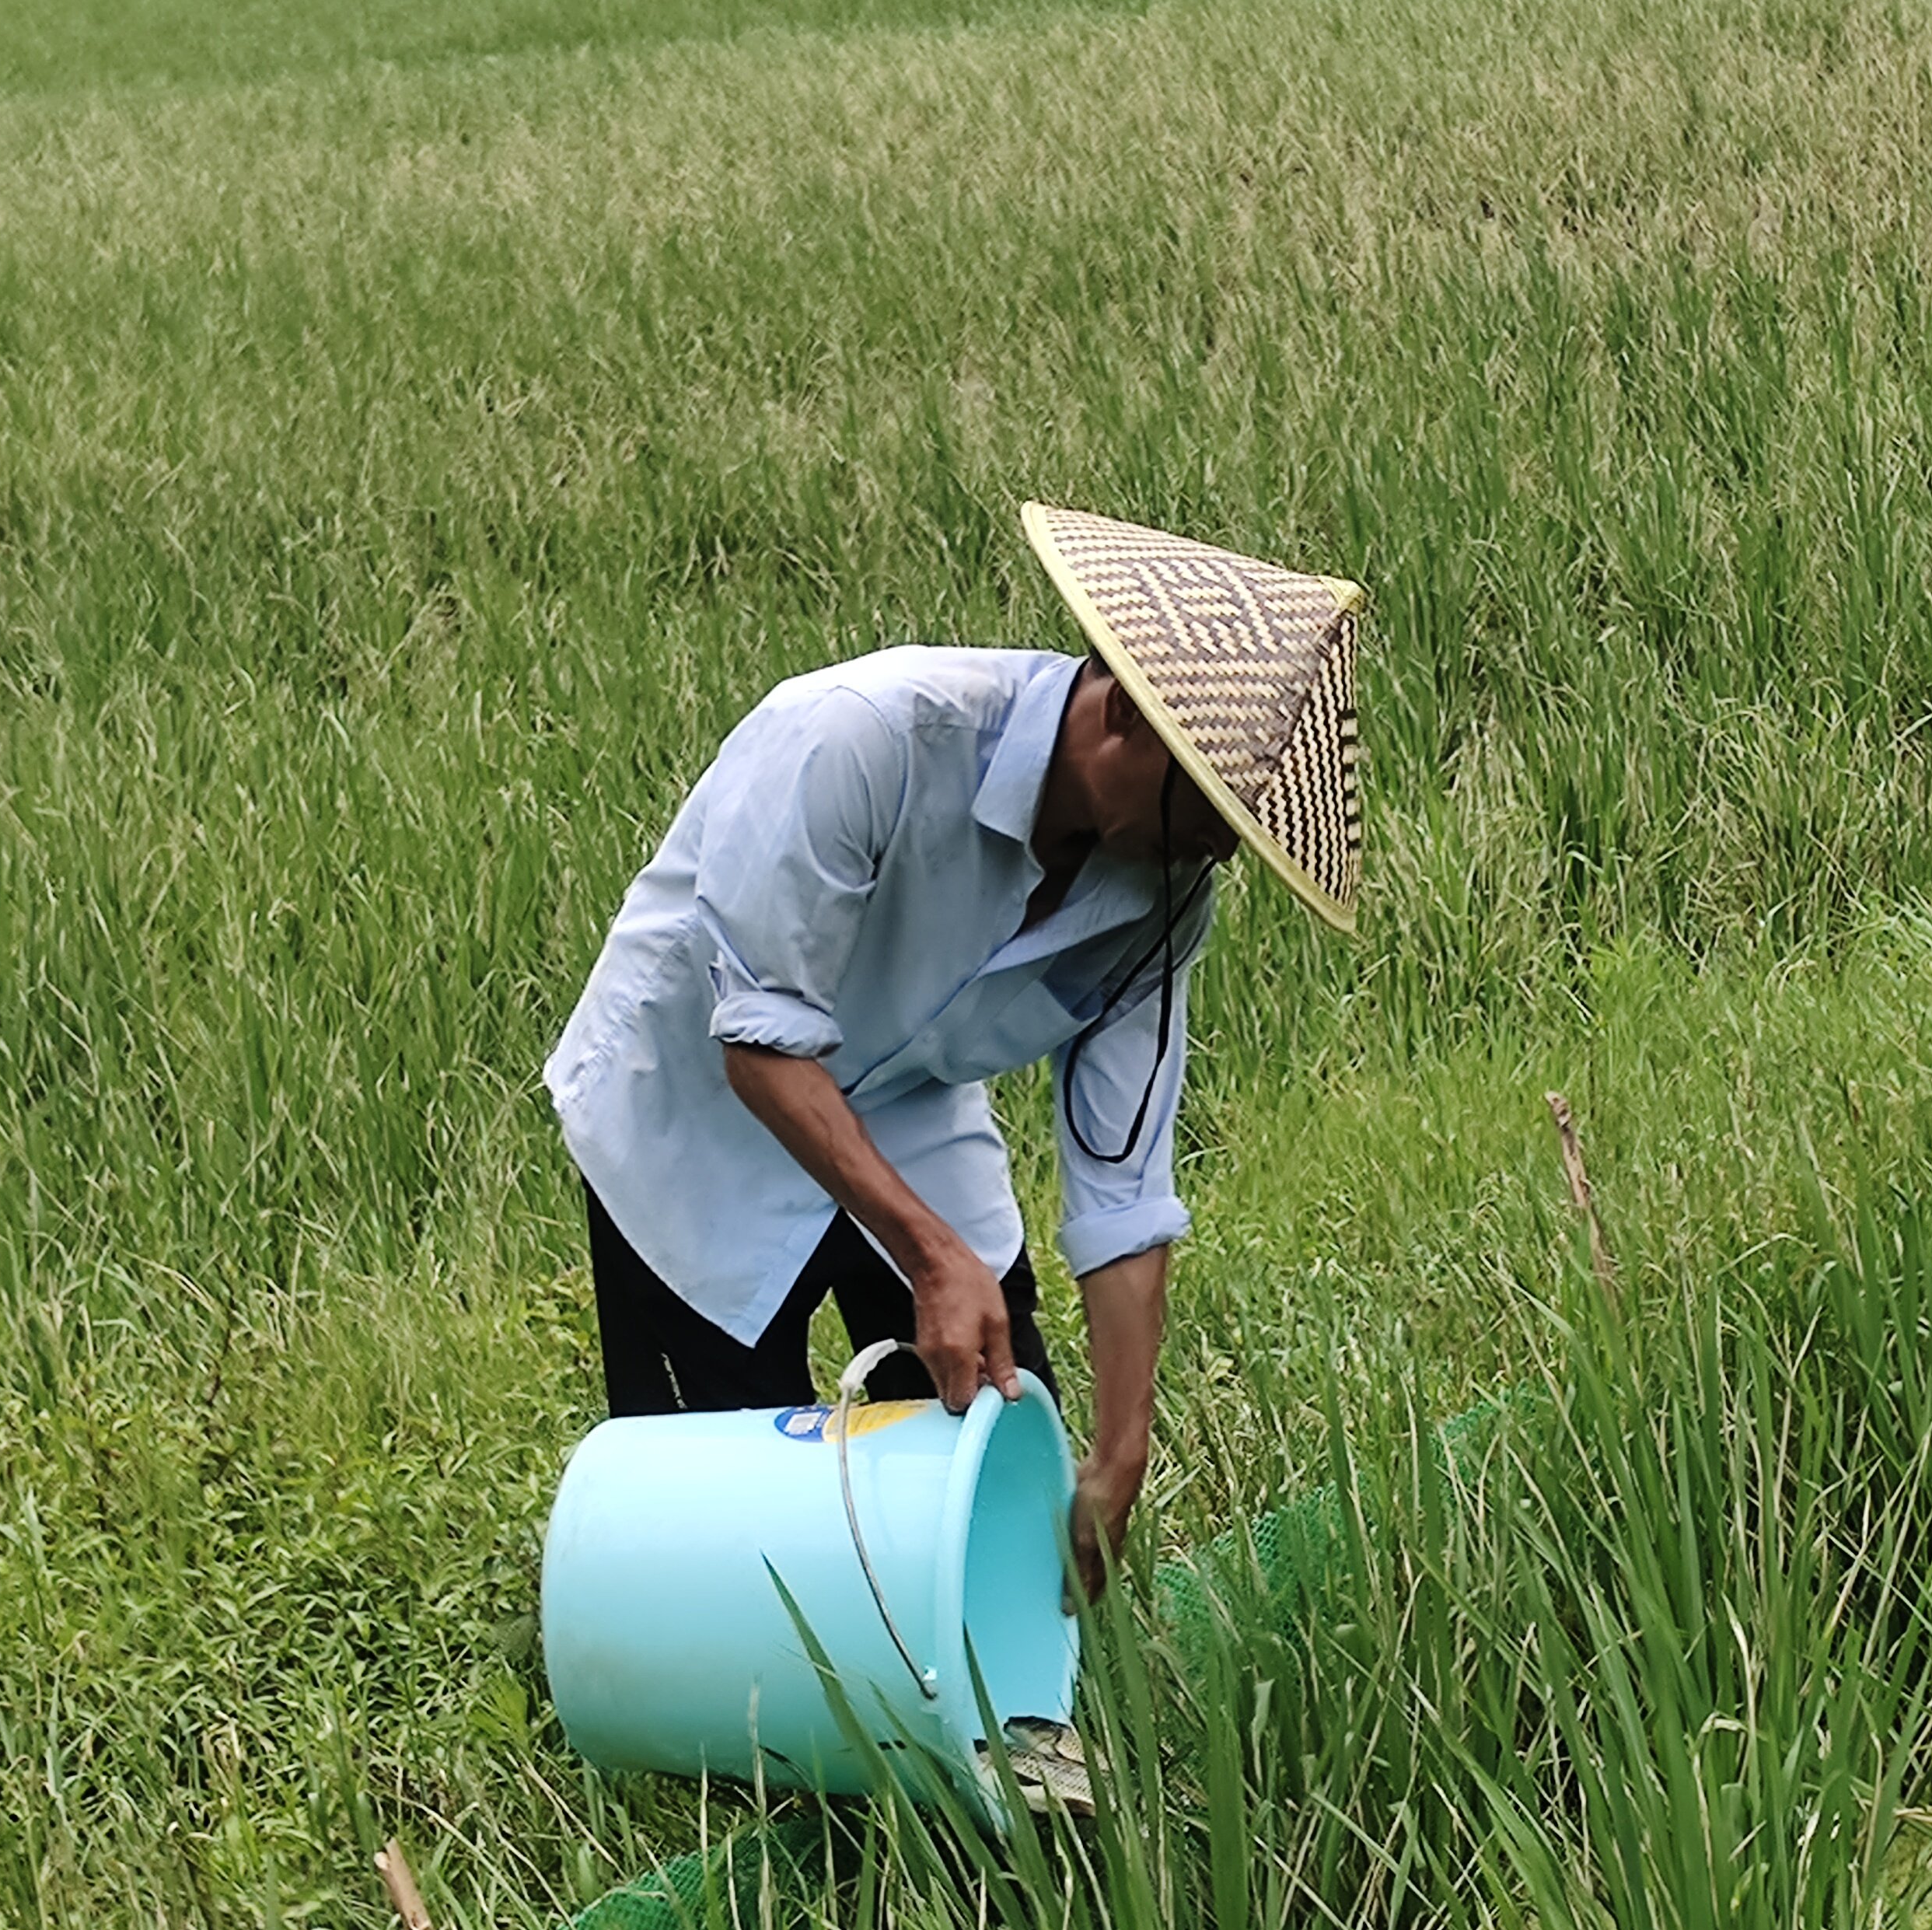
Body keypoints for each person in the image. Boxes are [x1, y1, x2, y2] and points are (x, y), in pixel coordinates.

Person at [544, 502, 1366, 1594]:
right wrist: (936, 1259)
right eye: (1211, 810)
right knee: (724, 1538)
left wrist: (1119, 1454)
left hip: (911, 1105)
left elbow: (1122, 1184)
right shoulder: (860, 738)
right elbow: (761, 1048)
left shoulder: (1162, 899)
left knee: (993, 1464)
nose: (1219, 849)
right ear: (1123, 715)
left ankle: (970, 1714)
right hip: (694, 1112)